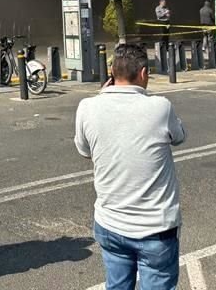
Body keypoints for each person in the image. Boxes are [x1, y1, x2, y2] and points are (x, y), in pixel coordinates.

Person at [75, 44, 186, 290]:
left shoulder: (87, 108)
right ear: (144, 73)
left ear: (111, 72)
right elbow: (179, 137)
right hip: (155, 229)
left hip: (110, 224)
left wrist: (100, 97)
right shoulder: (160, 107)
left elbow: (85, 151)